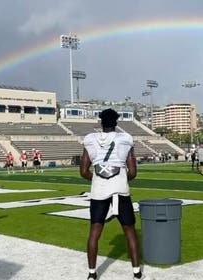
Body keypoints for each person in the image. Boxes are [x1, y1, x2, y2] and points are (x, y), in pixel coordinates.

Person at [80, 108, 143, 280]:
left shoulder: (90, 140)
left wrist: (98, 179)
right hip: (120, 189)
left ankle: (92, 273)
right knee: (129, 230)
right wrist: (120, 178)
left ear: (101, 122)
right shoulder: (126, 139)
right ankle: (137, 272)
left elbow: (84, 171)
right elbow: (133, 172)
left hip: (99, 191)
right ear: (116, 122)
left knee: (94, 232)